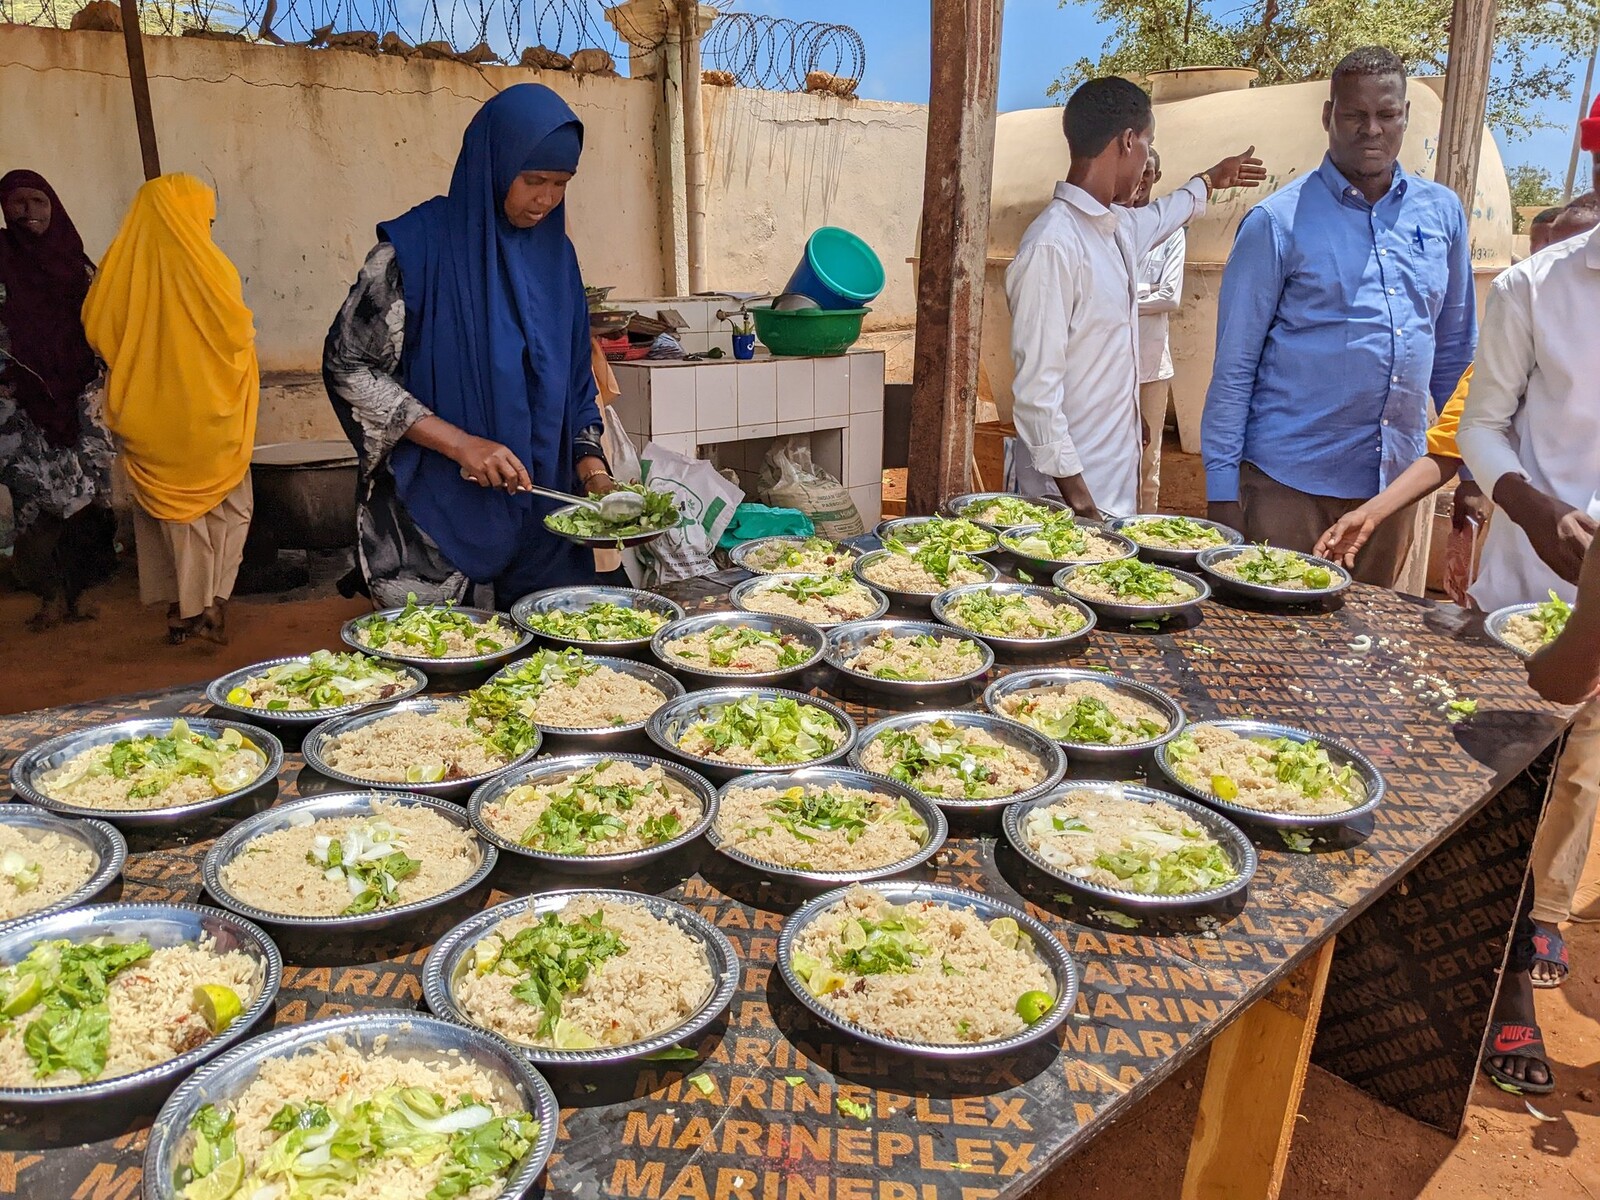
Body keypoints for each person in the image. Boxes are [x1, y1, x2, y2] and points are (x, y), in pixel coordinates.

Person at [324, 84, 613, 611]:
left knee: (561, 654)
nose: (546, 200)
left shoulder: (557, 259)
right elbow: (350, 367)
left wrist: (594, 473)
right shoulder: (414, 252)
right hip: (438, 521)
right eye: (533, 181)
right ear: (494, 166)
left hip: (546, 521)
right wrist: (461, 445)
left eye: (561, 184)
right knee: (445, 653)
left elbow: (575, 382)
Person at [1202, 46, 1477, 588]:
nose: (1372, 129)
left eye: (1387, 114)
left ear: (1405, 117)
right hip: (1286, 489)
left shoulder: (1441, 213)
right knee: (1274, 636)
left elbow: (1454, 354)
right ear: (1329, 116)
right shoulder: (1275, 223)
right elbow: (1234, 366)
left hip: (1392, 491)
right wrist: (1221, 493)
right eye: (1355, 114)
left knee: (1369, 635)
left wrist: (1470, 471)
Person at [1455, 124, 1600, 1091]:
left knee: (1583, 773)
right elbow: (1480, 425)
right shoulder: (1535, 290)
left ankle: (1540, 917)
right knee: (1508, 783)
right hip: (1530, 590)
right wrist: (1531, 506)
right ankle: (1502, 985)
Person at [1005, 76, 1264, 519]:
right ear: (1128, 141)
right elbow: (1036, 396)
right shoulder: (1053, 245)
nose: (1147, 161)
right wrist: (1084, 508)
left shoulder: (1116, 229)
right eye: (1148, 145)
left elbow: (1165, 214)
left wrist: (1209, 180)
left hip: (1113, 495)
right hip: (1068, 507)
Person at [1314, 198, 1600, 567]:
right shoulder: (1514, 331)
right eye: (1543, 249)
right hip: (1542, 560)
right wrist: (1370, 514)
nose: (1549, 263)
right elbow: (1452, 444)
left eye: (1566, 250)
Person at [81, 174, 259, 645]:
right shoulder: (214, 269)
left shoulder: (116, 271)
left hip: (149, 415)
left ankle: (186, 607)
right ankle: (213, 598)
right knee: (230, 507)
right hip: (214, 415)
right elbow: (238, 335)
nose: (207, 230)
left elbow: (97, 333)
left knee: (174, 516)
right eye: (205, 220)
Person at [0, 170, 117, 630]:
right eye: (18, 202)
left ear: (55, 206)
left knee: (88, 503)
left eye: (39, 201)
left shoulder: (78, 264)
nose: (29, 212)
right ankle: (48, 596)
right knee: (35, 504)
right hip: (22, 408)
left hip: (81, 402)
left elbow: (107, 328)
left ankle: (80, 593)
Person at [1132, 149, 1185, 512]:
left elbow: (1170, 296)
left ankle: (1142, 531)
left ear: (1157, 177)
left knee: (1147, 463)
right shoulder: (1111, 225)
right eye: (1137, 170)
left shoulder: (1171, 233)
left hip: (1151, 368)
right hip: (1108, 366)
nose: (1141, 179)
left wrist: (1121, 297)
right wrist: (1145, 292)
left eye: (1148, 173)